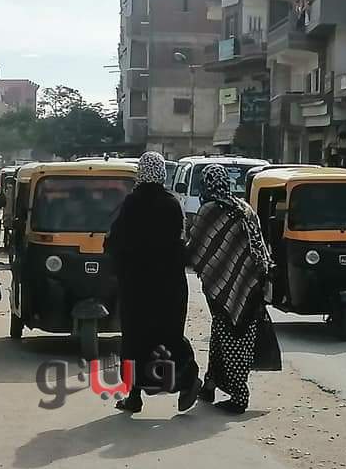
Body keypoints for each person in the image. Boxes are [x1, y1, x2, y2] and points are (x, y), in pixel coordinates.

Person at [106, 152, 201, 414]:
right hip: (169, 287)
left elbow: (116, 242)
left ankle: (134, 395)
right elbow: (180, 244)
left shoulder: (131, 204)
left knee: (135, 338)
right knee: (169, 336)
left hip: (137, 288)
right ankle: (186, 381)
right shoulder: (172, 204)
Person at [187, 164, 273, 415]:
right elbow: (260, 246)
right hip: (253, 285)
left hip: (222, 288)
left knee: (233, 338)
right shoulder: (244, 208)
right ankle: (210, 385)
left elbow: (195, 250)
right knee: (222, 334)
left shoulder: (210, 210)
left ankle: (239, 396)